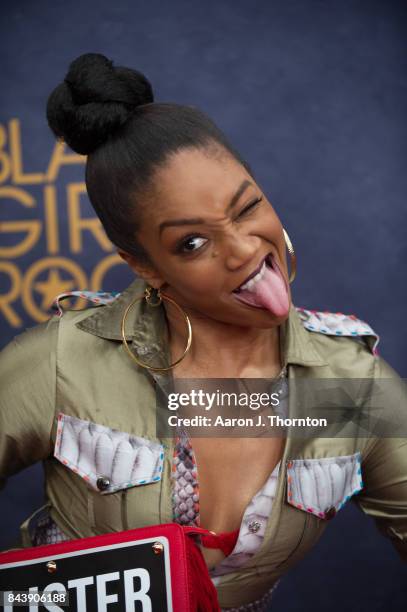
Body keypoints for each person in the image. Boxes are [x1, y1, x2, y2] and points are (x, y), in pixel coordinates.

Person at [0, 53, 406, 611]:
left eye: (246, 209)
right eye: (192, 242)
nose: (243, 250)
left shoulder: (343, 387)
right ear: (144, 264)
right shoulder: (69, 361)